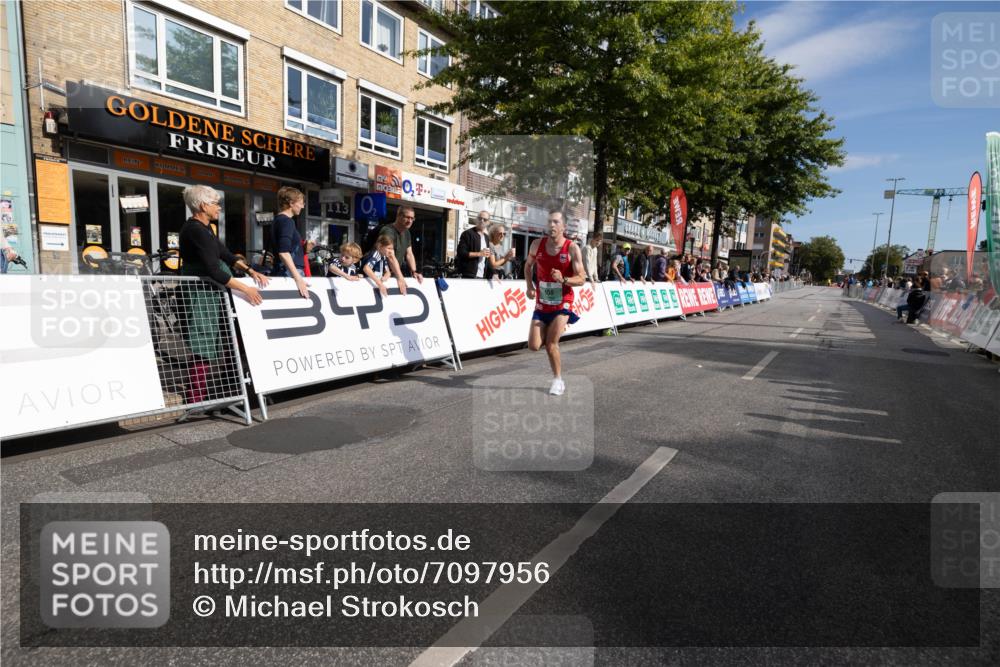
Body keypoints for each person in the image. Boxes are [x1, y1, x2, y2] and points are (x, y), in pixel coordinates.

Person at [178, 185, 269, 404]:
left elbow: (226, 255)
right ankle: (196, 399)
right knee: (203, 343)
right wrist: (246, 288)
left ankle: (232, 390)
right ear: (203, 206)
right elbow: (214, 270)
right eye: (215, 204)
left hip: (212, 292)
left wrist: (250, 270)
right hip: (201, 295)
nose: (219, 208)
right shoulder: (195, 230)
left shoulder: (206, 228)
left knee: (228, 338)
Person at [525, 210, 585, 396]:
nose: (551, 225)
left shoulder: (572, 248)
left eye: (556, 222)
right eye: (549, 221)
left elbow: (581, 279)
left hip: (563, 302)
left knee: (551, 344)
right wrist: (529, 286)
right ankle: (554, 327)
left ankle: (558, 380)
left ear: (564, 227)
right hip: (543, 302)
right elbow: (528, 266)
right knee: (534, 345)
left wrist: (563, 279)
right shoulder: (537, 244)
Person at [270, 186, 309, 299]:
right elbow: (283, 252)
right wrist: (298, 278)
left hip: (283, 270)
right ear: (291, 203)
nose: (303, 206)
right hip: (290, 272)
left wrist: (304, 249)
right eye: (301, 203)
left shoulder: (277, 220)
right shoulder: (287, 221)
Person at [377, 207, 424, 291]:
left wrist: (414, 271)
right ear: (398, 216)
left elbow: (409, 254)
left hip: (393, 275)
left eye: (412, 218)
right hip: (382, 276)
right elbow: (390, 256)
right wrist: (400, 277)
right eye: (407, 217)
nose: (410, 221)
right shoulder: (388, 231)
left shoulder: (407, 232)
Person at [457, 210, 493, 279]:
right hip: (468, 275)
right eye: (480, 218)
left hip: (482, 276)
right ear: (476, 219)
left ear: (488, 222)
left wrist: (493, 273)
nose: (482, 221)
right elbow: (461, 253)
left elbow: (486, 259)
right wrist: (479, 253)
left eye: (485, 220)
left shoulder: (486, 237)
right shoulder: (467, 234)